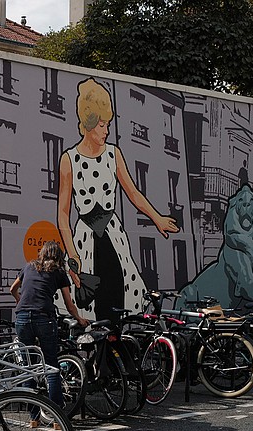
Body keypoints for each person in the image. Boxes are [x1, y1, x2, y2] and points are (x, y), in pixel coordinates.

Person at [57, 78, 178, 321]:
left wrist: (157, 219)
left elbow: (133, 193)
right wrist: (73, 255)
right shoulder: (68, 159)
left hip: (113, 236)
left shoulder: (114, 154)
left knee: (119, 296)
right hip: (85, 241)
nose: (106, 130)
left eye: (108, 124)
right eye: (102, 125)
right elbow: (62, 213)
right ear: (89, 124)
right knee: (92, 306)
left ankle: (117, 351)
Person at [9, 240, 89, 429]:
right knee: (51, 365)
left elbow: (13, 289)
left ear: (42, 253)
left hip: (22, 318)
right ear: (59, 256)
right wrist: (79, 318)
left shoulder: (28, 267)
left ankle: (34, 418)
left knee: (30, 367)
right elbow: (69, 304)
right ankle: (56, 419)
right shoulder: (59, 273)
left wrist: (20, 302)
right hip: (44, 318)